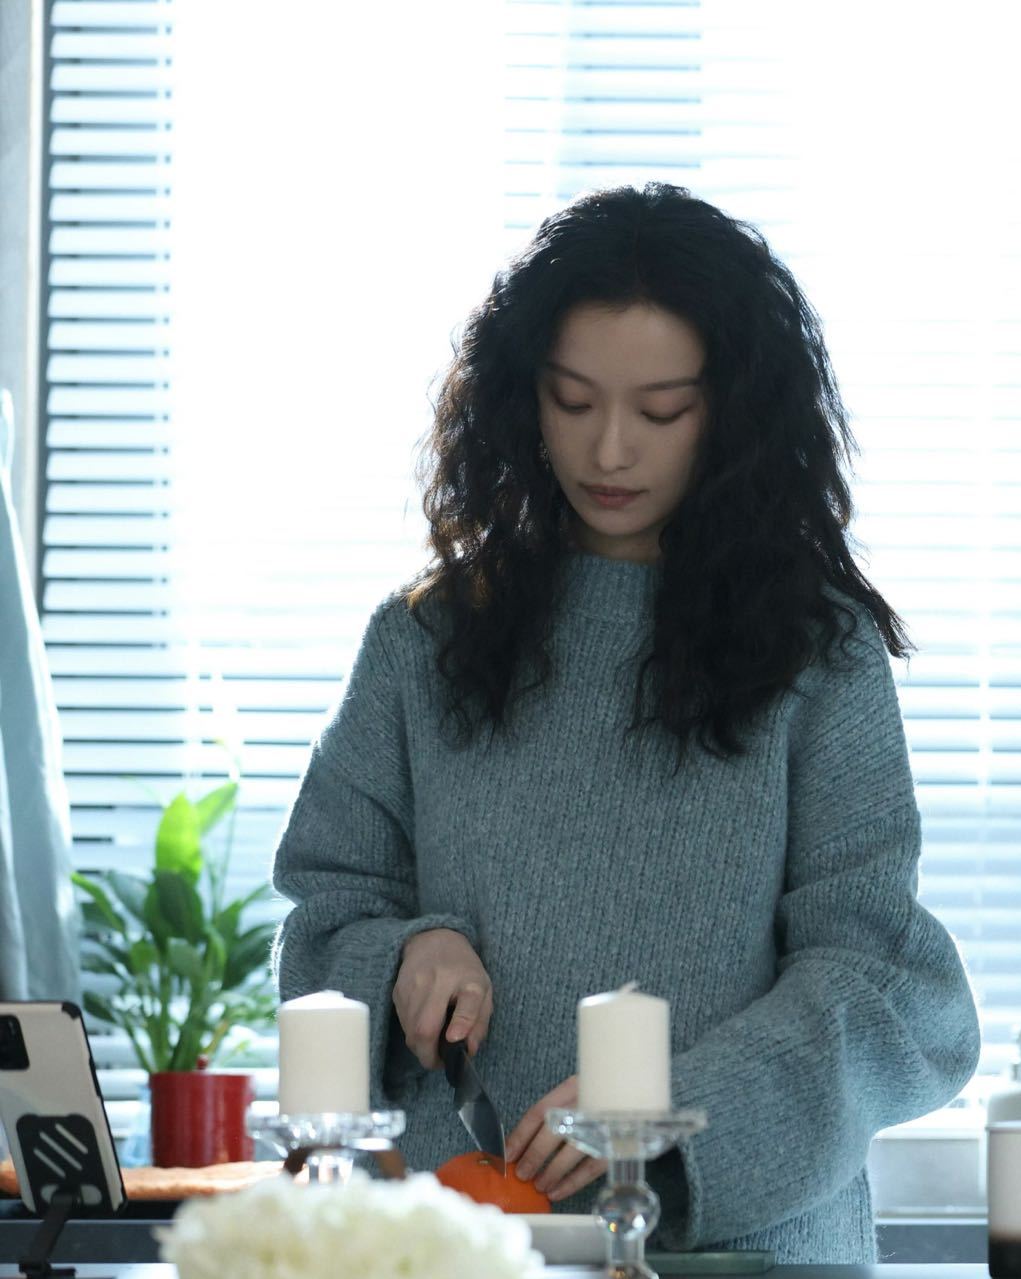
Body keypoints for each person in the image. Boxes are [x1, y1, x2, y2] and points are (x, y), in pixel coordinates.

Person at [271, 183, 981, 1261]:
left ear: (734, 411)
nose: (608, 451)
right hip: (452, 1246)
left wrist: (666, 1116)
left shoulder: (818, 652)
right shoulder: (422, 639)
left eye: (661, 412)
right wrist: (405, 952)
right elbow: (324, 918)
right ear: (522, 398)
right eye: (571, 401)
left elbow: (885, 985)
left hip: (750, 1257)